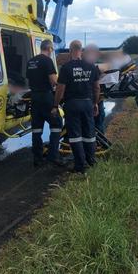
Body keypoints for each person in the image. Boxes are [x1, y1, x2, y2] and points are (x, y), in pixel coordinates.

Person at [53, 40, 100, 174]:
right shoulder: (91, 67)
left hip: (72, 104)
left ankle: (80, 165)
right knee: (89, 133)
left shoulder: (66, 68)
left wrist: (55, 105)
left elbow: (60, 89)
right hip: (87, 103)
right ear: (82, 50)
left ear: (70, 50)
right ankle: (91, 160)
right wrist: (95, 103)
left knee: (75, 136)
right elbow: (96, 87)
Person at [25, 39, 65, 168]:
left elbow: (29, 79)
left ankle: (37, 158)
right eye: (52, 49)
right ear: (49, 49)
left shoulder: (30, 61)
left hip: (34, 98)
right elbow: (54, 81)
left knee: (37, 129)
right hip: (46, 97)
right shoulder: (47, 61)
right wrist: (63, 86)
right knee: (57, 124)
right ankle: (53, 156)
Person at [83, 44, 106, 133]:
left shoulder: (92, 67)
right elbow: (96, 87)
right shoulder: (93, 68)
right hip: (93, 102)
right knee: (97, 125)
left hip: (91, 101)